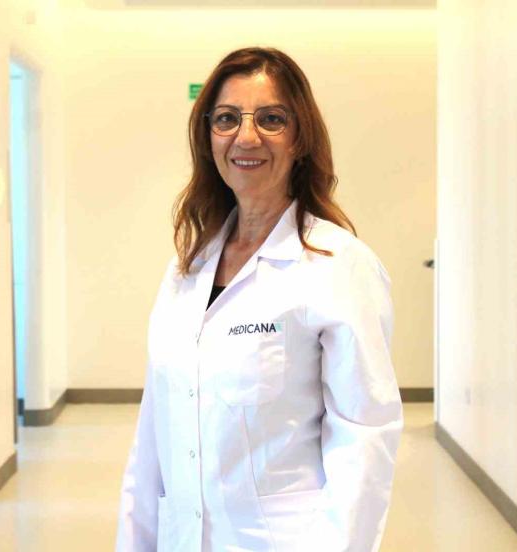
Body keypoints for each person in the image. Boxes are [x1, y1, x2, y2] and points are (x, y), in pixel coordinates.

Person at [116, 47, 403, 552]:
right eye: (227, 119)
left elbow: (364, 437)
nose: (246, 137)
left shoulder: (339, 265)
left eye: (271, 119)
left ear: (300, 138)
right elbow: (153, 435)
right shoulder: (187, 268)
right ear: (208, 136)